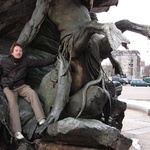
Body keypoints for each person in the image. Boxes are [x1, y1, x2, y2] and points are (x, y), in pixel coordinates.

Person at [0, 42, 56, 140]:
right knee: (13, 103)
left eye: (20, 51)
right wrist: (5, 82)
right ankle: (17, 131)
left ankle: (41, 119)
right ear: (12, 52)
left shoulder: (25, 61)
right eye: (16, 50)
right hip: (9, 87)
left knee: (32, 93)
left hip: (21, 86)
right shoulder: (4, 60)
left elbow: (39, 63)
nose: (19, 52)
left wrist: (54, 59)